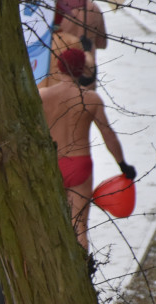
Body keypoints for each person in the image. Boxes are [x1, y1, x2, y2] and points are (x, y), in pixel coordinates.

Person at [39, 48, 136, 250]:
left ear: (59, 67)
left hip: (50, 164)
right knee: (79, 225)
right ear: (81, 70)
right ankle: (82, 272)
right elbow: (108, 134)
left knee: (49, 223)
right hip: (79, 163)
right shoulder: (91, 99)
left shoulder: (42, 96)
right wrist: (122, 164)